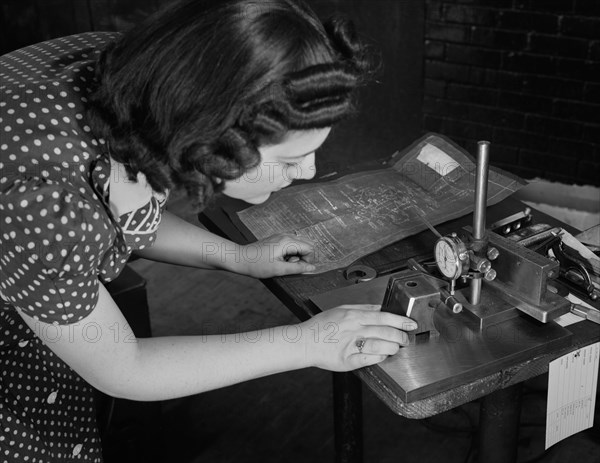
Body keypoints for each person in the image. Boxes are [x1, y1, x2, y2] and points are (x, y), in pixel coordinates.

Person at [0, 0, 417, 461]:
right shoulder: (41, 200)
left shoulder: (139, 76)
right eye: (288, 160)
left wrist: (236, 256)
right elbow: (124, 366)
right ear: (208, 131)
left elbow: (119, 212)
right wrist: (306, 342)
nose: (307, 172)